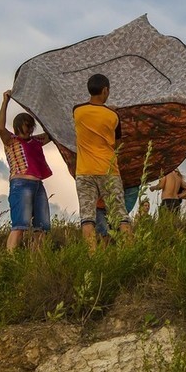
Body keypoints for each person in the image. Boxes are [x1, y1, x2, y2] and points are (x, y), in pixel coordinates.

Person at [74, 73, 130, 249]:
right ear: (105, 90)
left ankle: (93, 256)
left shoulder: (77, 111)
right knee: (121, 215)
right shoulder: (113, 116)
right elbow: (118, 144)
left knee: (87, 218)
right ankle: (130, 251)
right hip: (108, 170)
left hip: (84, 172)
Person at [0, 89, 52, 251]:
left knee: (42, 227)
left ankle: (37, 260)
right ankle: (11, 260)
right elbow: (0, 128)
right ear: (18, 127)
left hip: (38, 185)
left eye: (30, 126)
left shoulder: (36, 141)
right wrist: (5, 102)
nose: (28, 129)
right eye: (26, 126)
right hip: (20, 184)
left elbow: (52, 134)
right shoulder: (11, 141)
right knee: (19, 225)